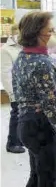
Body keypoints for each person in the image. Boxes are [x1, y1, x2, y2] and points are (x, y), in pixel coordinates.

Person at [13, 11, 56, 187]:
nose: (54, 34)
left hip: (27, 125)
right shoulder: (41, 62)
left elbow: (19, 93)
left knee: (37, 175)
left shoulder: (23, 57)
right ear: (39, 34)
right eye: (51, 30)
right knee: (49, 181)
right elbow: (51, 107)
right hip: (44, 128)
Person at [1, 24, 25, 153]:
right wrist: (12, 93)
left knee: (22, 115)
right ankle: (11, 143)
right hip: (16, 90)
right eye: (19, 33)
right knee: (16, 114)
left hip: (25, 89)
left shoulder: (23, 47)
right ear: (13, 34)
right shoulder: (6, 50)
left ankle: (20, 140)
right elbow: (5, 74)